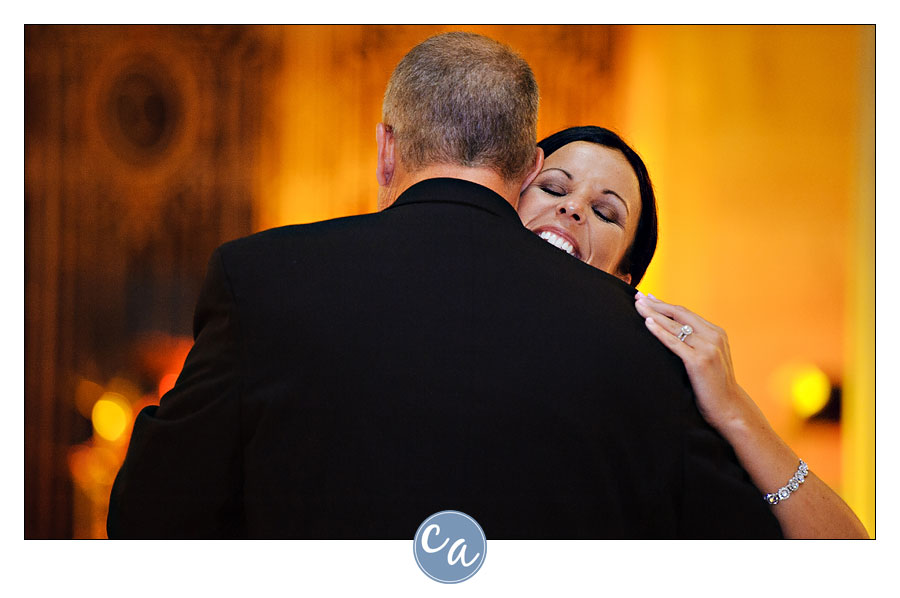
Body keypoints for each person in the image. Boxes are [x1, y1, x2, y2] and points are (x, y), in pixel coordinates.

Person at [108, 32, 782, 539]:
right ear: (528, 167)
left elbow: (150, 517)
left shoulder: (258, 278)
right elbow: (752, 550)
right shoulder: (639, 341)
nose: (574, 209)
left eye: (606, 210)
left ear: (386, 149)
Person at [518, 125, 868, 538]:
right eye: (554, 188)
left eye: (605, 212)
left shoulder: (650, 404)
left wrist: (734, 409)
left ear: (622, 280)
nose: (573, 208)